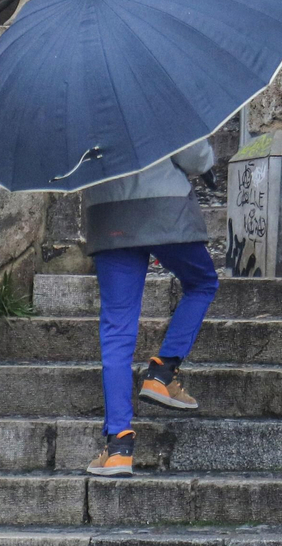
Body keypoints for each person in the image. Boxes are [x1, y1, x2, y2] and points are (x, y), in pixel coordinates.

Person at [84, 139, 220, 476]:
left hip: (108, 212)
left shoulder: (76, 103)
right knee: (202, 282)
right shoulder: (153, 90)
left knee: (117, 326)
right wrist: (206, 162)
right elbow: (193, 155)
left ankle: (118, 447)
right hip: (164, 206)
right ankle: (162, 372)